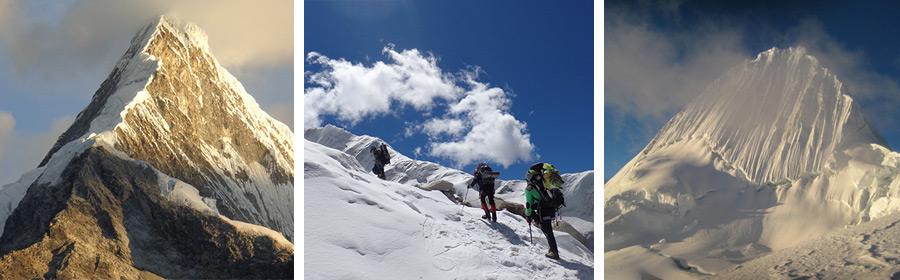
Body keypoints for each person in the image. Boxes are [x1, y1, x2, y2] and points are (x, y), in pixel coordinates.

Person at [525, 162, 560, 260]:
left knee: (548, 231)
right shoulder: (545, 182)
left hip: (542, 211)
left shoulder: (530, 188)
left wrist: (528, 215)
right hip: (551, 208)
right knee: (548, 231)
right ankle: (552, 250)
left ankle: (554, 252)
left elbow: (529, 204)